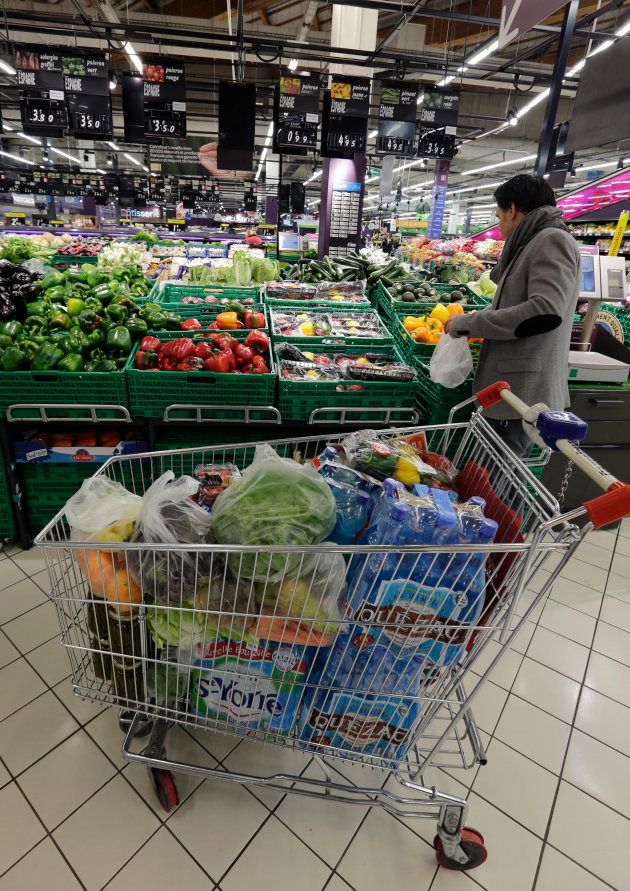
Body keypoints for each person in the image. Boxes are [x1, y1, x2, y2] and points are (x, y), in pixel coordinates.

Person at [445, 174, 580, 458]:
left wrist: (471, 324)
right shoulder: (532, 241)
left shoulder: (551, 240)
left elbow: (544, 311)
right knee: (490, 475)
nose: (500, 226)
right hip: (511, 390)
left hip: (523, 395)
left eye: (499, 216)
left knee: (501, 480)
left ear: (512, 210)